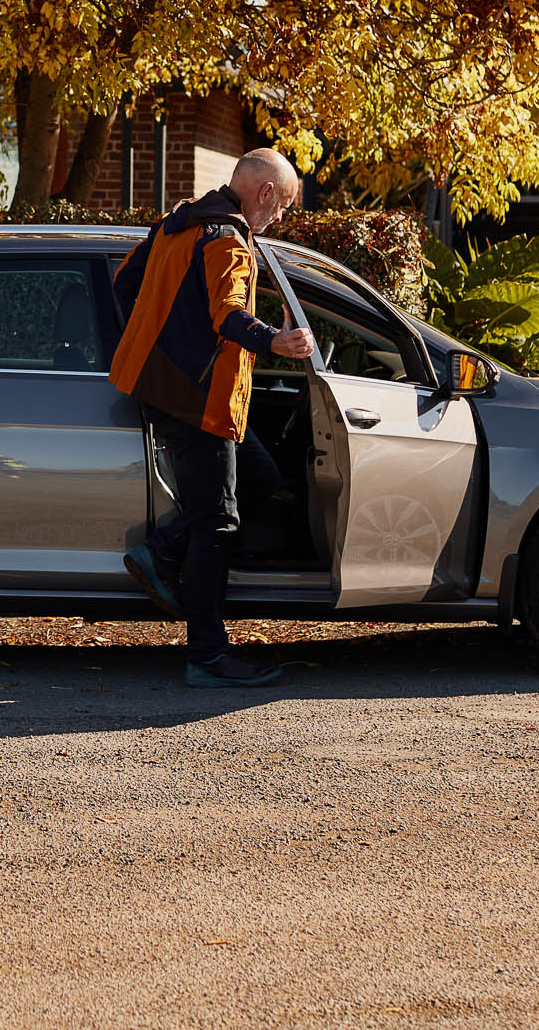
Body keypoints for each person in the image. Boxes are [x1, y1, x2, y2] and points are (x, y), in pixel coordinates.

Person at [107, 147, 316, 687]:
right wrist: (277, 341)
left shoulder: (176, 222)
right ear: (265, 193)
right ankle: (207, 656)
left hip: (161, 387)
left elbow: (125, 283)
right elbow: (229, 316)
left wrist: (163, 340)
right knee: (217, 524)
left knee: (262, 476)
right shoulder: (227, 239)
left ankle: (159, 552)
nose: (279, 218)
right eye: (284, 205)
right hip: (198, 400)